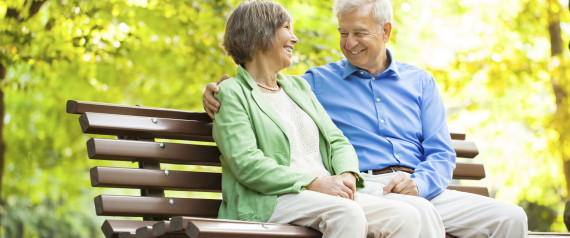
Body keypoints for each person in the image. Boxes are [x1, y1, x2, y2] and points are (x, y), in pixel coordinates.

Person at [204, 0, 529, 237]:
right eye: (343, 33)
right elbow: (261, 83)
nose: (349, 43)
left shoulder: (420, 82)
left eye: (359, 32)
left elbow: (441, 153)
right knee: (414, 215)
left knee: (512, 218)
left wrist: (420, 183)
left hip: (422, 185)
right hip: (368, 184)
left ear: (385, 31)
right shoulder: (316, 82)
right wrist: (219, 87)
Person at [211, 1, 420, 237]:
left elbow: (337, 141)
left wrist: (347, 174)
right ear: (260, 33)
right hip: (271, 198)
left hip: (322, 194)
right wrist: (312, 181)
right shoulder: (232, 92)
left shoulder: (298, 87)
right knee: (346, 213)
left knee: (405, 216)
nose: (294, 38)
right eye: (287, 28)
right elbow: (247, 164)